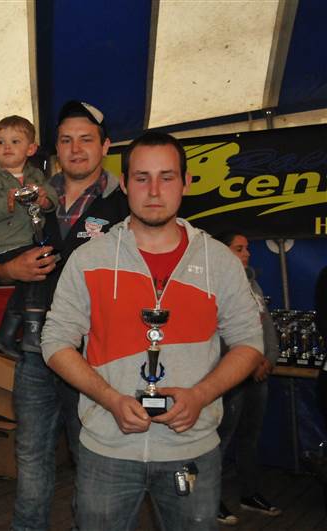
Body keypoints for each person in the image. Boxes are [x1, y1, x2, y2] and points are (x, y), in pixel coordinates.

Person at [41, 130, 264, 530]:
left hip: (191, 449)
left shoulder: (219, 262)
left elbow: (249, 342)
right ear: (125, 184)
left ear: (186, 182)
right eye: (142, 178)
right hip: (106, 449)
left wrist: (200, 396)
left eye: (167, 177)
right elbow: (55, 341)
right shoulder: (89, 259)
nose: (155, 191)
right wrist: (110, 399)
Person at [0, 101, 128, 530]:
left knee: (93, 458)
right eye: (66, 140)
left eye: (86, 139)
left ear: (105, 145)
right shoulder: (30, 193)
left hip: (97, 355)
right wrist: (10, 269)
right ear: (54, 148)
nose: (75, 148)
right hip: (36, 351)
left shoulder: (125, 203)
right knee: (31, 455)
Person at [0, 115, 58, 357]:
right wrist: (7, 203)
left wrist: (45, 200)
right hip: (5, 244)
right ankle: (32, 333)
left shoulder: (35, 176)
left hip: (29, 240)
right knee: (39, 273)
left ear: (31, 149)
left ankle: (6, 334)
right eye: (0, 142)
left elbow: (51, 196)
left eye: (15, 141)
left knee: (38, 273)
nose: (7, 147)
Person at [213, 231, 282, 525]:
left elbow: (266, 326)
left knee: (249, 437)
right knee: (220, 439)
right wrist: (247, 362)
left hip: (258, 373)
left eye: (247, 248)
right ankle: (210, 498)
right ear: (222, 252)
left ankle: (249, 493)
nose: (247, 253)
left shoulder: (252, 282)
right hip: (232, 376)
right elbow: (217, 332)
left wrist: (269, 358)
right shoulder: (214, 284)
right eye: (239, 248)